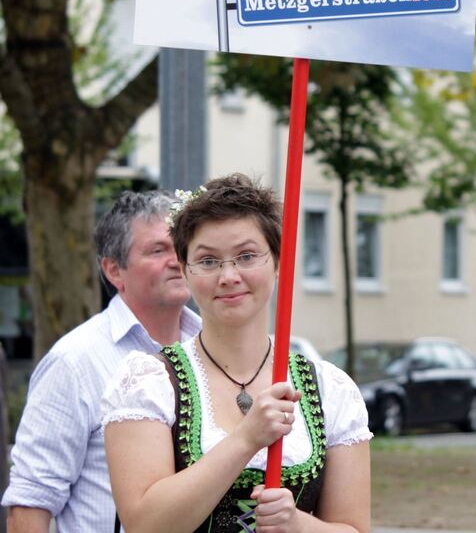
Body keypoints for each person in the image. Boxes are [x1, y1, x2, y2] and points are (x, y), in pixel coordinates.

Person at [103, 174, 371, 533]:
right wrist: (247, 439)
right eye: (208, 261)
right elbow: (144, 525)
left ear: (277, 262)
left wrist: (298, 525)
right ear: (185, 270)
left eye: (246, 256)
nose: (229, 276)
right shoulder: (146, 383)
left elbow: (354, 528)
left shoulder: (330, 389)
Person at [3, 190, 201, 533]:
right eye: (158, 250)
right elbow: (31, 503)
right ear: (113, 270)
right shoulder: (74, 362)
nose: (177, 260)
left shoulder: (208, 348)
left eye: (181, 246)